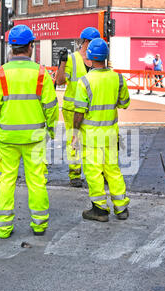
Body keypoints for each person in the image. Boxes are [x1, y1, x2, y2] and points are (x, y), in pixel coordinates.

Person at [0, 25, 59, 239]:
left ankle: (4, 227)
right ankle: (39, 224)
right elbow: (51, 106)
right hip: (34, 138)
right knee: (36, 180)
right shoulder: (42, 73)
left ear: (11, 48)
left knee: (6, 180)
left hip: (7, 138)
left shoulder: (0, 74)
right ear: (30, 47)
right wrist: (51, 129)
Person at [71, 38, 131, 221]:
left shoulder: (85, 82)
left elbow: (79, 112)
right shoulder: (118, 78)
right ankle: (121, 208)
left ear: (89, 58)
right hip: (111, 135)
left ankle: (100, 209)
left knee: (93, 172)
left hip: (91, 137)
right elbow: (124, 103)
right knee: (113, 170)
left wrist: (74, 133)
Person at [56, 27, 101, 188]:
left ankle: (95, 171)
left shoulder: (98, 58)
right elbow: (60, 81)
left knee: (93, 140)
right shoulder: (72, 59)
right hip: (72, 107)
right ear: (86, 42)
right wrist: (61, 63)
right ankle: (75, 173)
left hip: (92, 108)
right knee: (74, 139)